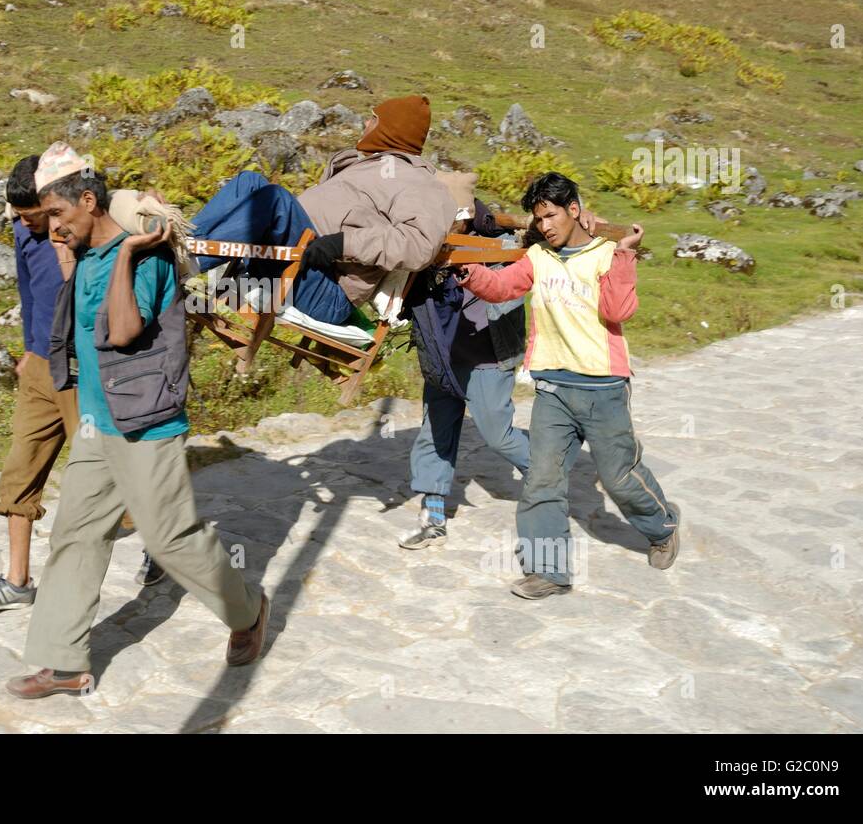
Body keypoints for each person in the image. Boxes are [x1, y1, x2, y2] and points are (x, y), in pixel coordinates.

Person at [7, 144, 269, 699]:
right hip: (98, 424)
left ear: (86, 201)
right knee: (75, 535)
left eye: (58, 215)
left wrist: (125, 255)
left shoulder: (143, 257)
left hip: (145, 423)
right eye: (46, 218)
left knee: (170, 538)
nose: (52, 227)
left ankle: (248, 611)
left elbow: (124, 331)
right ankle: (63, 662)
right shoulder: (83, 253)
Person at [455, 172, 680, 600]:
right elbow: (503, 289)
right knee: (542, 479)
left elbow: (618, 311)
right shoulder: (538, 258)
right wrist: (471, 274)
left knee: (618, 476)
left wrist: (625, 257)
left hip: (603, 387)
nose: (545, 226)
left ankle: (662, 526)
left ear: (574, 209)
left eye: (551, 215)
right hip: (552, 389)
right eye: (539, 219)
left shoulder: (606, 254)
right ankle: (548, 571)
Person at [0, 155, 161, 615]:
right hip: (40, 367)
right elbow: (28, 291)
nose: (34, 227)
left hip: (83, 367)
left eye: (39, 216)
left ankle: (162, 544)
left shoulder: (80, 227)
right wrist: (29, 349)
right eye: (26, 220)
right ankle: (17, 580)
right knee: (20, 467)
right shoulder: (22, 231)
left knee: (112, 469)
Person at [398, 175, 591, 549]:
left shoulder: (506, 245)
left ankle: (546, 478)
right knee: (435, 430)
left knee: (498, 435)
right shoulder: (423, 244)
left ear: (466, 216)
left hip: (488, 356)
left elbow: (558, 235)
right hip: (443, 355)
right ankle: (433, 513)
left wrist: (585, 217)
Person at [189, 94, 455, 324]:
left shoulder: (420, 183)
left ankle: (185, 263)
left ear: (391, 129)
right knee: (250, 181)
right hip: (290, 261)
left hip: (326, 290)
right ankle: (181, 246)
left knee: (275, 199)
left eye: (373, 118)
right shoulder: (369, 164)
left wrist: (341, 244)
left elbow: (419, 244)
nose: (365, 123)